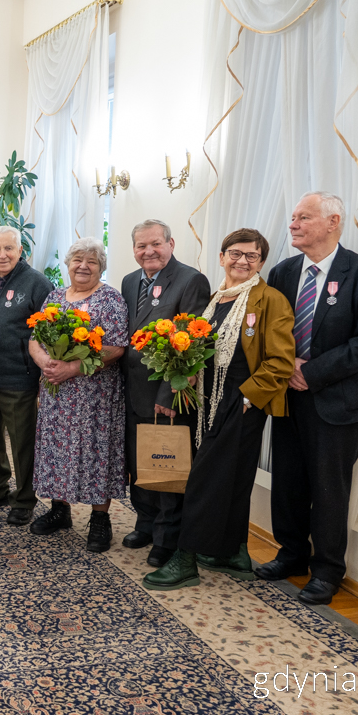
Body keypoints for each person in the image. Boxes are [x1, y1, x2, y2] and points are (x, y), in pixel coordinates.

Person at [143, 228, 294, 592]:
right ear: (223, 255)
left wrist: (245, 400)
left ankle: (186, 558)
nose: (242, 261)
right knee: (232, 479)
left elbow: (280, 361)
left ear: (260, 261)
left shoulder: (270, 300)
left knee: (204, 482)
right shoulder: (215, 300)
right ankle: (233, 552)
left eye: (251, 256)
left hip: (240, 403)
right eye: (235, 253)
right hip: (203, 404)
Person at [258, 192, 358, 605]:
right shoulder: (282, 272)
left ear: (333, 222)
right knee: (289, 482)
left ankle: (328, 570)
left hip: (339, 402)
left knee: (329, 487)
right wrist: (286, 369)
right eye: (293, 217)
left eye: (304, 217)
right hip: (288, 398)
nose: (293, 224)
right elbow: (267, 330)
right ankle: (292, 554)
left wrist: (309, 373)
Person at [119, 220, 211, 567]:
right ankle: (144, 522)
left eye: (155, 244)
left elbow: (194, 345)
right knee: (139, 462)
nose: (149, 251)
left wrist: (170, 394)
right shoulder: (130, 282)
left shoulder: (190, 281)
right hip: (130, 393)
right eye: (141, 246)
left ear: (171, 243)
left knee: (166, 465)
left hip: (167, 397)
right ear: (134, 250)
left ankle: (166, 537)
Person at [28, 237, 127, 552]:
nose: (83, 266)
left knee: (97, 452)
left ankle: (100, 520)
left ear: (101, 267)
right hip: (57, 394)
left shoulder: (110, 299)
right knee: (57, 448)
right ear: (68, 264)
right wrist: (46, 362)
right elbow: (35, 338)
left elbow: (115, 347)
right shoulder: (55, 296)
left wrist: (72, 368)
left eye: (92, 262)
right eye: (77, 260)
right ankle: (60, 511)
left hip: (95, 397)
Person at [0, 225, 53, 526]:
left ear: (21, 250)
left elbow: (46, 330)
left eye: (8, 248)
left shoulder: (37, 283)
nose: (2, 255)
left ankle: (25, 499)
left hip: (19, 375)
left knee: (22, 442)